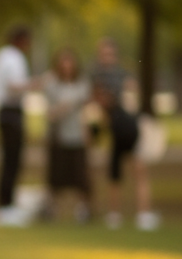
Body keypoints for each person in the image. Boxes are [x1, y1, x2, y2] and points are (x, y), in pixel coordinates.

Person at [90, 37, 159, 230]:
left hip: (130, 129)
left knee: (139, 170)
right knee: (114, 174)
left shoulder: (122, 76)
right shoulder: (97, 77)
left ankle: (143, 214)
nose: (107, 57)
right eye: (104, 53)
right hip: (115, 131)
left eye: (110, 53)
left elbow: (131, 98)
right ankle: (114, 215)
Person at [40, 48, 92, 222]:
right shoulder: (52, 85)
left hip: (76, 135)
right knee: (55, 175)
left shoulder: (81, 84)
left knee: (81, 175)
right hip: (58, 137)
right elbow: (51, 113)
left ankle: (84, 210)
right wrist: (63, 107)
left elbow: (84, 109)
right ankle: (50, 209)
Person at [0, 25, 32, 226]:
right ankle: (7, 206)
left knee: (9, 159)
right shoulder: (13, 58)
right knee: (12, 160)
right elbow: (13, 85)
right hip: (11, 111)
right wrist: (36, 84)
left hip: (3, 112)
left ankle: (5, 204)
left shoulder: (1, 56)